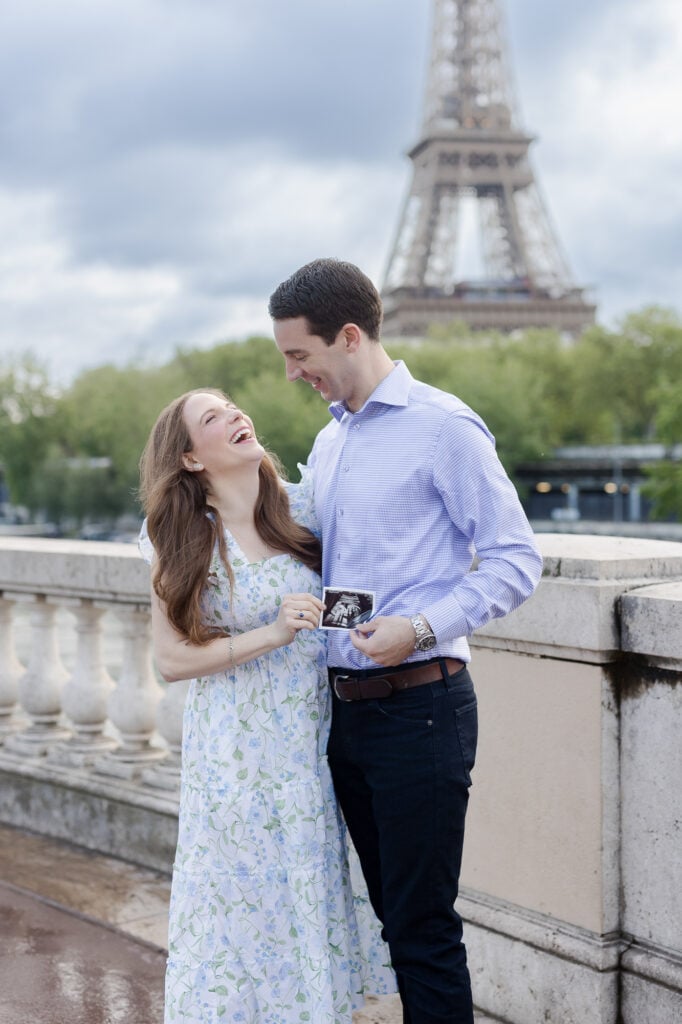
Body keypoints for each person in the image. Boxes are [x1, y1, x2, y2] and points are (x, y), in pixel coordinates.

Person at [268, 259, 544, 1024]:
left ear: (349, 336)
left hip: (421, 710)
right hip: (345, 715)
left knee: (422, 931)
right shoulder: (330, 442)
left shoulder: (443, 427)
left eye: (300, 355)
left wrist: (419, 628)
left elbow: (517, 560)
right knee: (395, 922)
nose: (292, 373)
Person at [138, 388, 395, 1024]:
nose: (235, 416)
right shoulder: (180, 535)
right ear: (191, 458)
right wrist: (271, 634)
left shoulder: (301, 509)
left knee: (304, 892)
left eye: (232, 407)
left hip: (313, 745)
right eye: (212, 417)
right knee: (241, 904)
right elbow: (171, 660)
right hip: (234, 756)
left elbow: (360, 587)